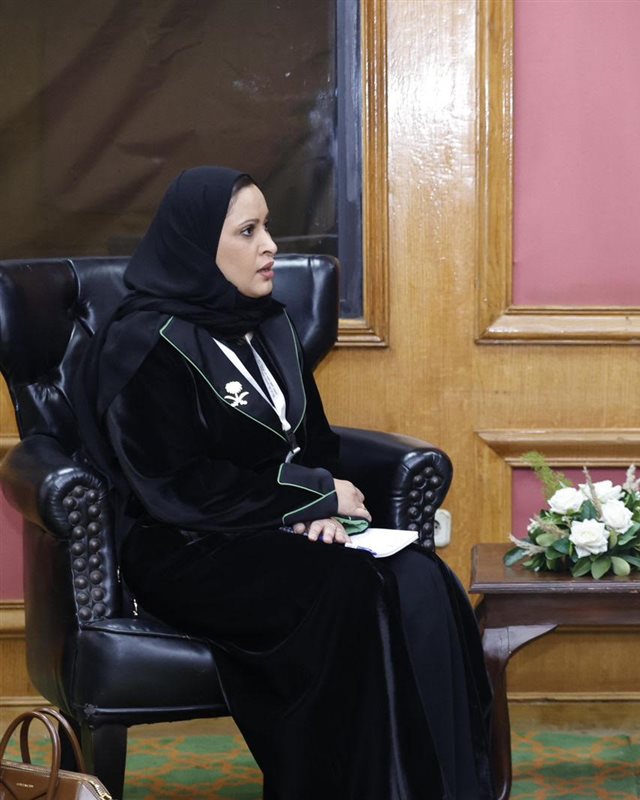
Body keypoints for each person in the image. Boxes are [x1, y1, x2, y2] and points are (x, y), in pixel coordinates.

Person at [75, 166, 491, 799]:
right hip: (184, 545)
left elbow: (315, 443)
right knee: (347, 589)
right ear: (199, 246)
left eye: (267, 227)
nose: (270, 245)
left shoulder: (269, 323)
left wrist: (319, 510)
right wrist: (307, 500)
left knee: (420, 577)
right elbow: (176, 484)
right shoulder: (144, 343)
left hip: (272, 529)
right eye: (248, 231)